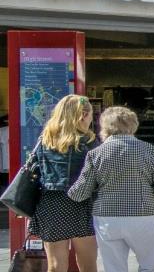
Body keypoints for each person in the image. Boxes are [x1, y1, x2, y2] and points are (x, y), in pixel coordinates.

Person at [68, 106, 154, 272]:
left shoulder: (96, 154)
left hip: (107, 217)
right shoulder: (148, 150)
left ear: (105, 127)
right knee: (150, 266)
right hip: (143, 215)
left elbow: (79, 193)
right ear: (133, 125)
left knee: (114, 268)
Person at [29, 95, 99, 272]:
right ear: (83, 115)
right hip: (82, 204)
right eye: (91, 113)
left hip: (51, 205)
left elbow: (34, 170)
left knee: (55, 265)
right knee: (88, 265)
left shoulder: (45, 140)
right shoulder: (89, 141)